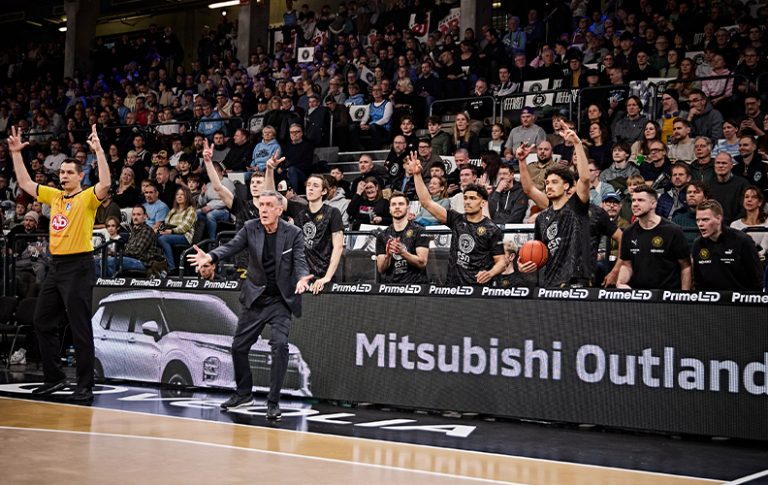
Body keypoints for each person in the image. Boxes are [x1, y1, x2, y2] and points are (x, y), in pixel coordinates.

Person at [187, 190, 313, 420]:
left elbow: (300, 260)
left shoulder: (293, 233)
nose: (263, 209)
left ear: (279, 209)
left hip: (280, 301)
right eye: (260, 205)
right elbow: (231, 247)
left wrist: (303, 277)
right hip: (255, 298)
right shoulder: (250, 227)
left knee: (280, 346)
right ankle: (244, 394)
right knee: (238, 347)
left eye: (268, 205)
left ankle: (273, 402)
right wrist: (211, 257)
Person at [9, 124, 111, 402]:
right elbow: (26, 184)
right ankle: (53, 378)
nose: (63, 175)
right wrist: (16, 153)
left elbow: (105, 184)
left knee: (79, 327)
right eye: (62, 172)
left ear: (80, 176)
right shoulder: (54, 196)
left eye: (69, 172)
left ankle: (85, 385)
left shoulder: (87, 197)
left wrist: (99, 151)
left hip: (79, 266)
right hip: (56, 266)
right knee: (42, 320)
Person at [411, 152, 506, 285]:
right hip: (453, 286)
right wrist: (417, 175)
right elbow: (427, 202)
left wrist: (490, 273)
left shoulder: (492, 229)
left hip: (478, 289)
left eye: (473, 198)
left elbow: (502, 262)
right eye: (466, 198)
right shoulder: (456, 219)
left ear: (483, 203)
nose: (467, 202)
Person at [517, 128, 593, 287]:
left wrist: (577, 143)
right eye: (547, 183)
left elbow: (585, 179)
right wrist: (522, 161)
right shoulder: (543, 217)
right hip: (550, 281)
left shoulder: (577, 206)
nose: (549, 186)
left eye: (554, 182)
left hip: (575, 280)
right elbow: (528, 189)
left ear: (566, 185)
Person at [265, 155, 344, 294]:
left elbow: (338, 247)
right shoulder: (299, 210)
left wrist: (326, 278)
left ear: (324, 191)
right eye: (308, 185)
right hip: (301, 277)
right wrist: (270, 169)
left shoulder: (333, 213)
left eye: (315, 186)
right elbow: (271, 195)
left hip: (324, 277)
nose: (310, 189)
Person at [618, 186, 691, 290]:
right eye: (633, 200)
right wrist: (620, 282)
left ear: (653, 204)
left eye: (640, 200)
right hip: (640, 297)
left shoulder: (673, 231)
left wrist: (685, 296)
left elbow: (686, 266)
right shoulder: (628, 232)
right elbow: (626, 265)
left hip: (667, 297)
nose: (635, 204)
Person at [692, 200, 762, 291]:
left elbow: (757, 278)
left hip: (740, 301)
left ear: (718, 219)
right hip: (710, 302)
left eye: (705, 219)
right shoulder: (698, 245)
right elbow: (698, 282)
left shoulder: (742, 241)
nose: (700, 224)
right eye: (698, 220)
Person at [376, 191, 430, 283]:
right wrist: (388, 256)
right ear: (389, 209)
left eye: (401, 204)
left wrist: (402, 252)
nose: (397, 207)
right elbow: (381, 269)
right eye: (393, 204)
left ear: (408, 208)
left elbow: (422, 262)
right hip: (391, 288)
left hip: (416, 288)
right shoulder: (382, 235)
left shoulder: (419, 231)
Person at [157, 187, 197, 276]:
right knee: (155, 236)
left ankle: (171, 268)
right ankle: (156, 266)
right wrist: (162, 230)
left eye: (182, 194)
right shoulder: (173, 210)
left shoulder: (191, 210)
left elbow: (184, 227)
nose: (179, 196)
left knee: (163, 239)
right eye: (177, 194)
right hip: (171, 234)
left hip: (185, 236)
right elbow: (166, 222)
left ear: (187, 197)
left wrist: (171, 231)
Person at [709, 152, 751, 225]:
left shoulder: (743, 184)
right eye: (718, 163)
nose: (720, 166)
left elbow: (745, 208)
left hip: (736, 226)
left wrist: (734, 224)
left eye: (724, 163)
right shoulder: (708, 185)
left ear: (731, 165)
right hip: (713, 225)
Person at [730, 186, 768, 260]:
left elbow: (764, 249)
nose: (749, 200)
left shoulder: (767, 223)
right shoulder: (735, 225)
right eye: (746, 197)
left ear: (760, 202)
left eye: (753, 197)